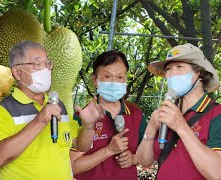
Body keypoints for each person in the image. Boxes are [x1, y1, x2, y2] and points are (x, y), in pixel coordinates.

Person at [0, 40, 104, 180]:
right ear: (17, 72)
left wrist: (88, 126)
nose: (45, 69)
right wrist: (39, 120)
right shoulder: (3, 110)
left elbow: (80, 146)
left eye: (47, 64)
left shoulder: (58, 106)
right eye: (37, 64)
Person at [137, 43, 221, 179]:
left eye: (179, 67)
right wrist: (151, 127)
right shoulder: (166, 112)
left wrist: (181, 126)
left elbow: (217, 173)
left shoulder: (216, 114)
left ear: (199, 74)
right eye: (168, 69)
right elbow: (143, 162)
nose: (171, 74)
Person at [70, 50, 147, 180]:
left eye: (120, 77)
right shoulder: (82, 117)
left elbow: (148, 155)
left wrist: (134, 159)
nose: (114, 82)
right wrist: (109, 150)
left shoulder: (136, 114)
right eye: (107, 76)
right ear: (95, 80)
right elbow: (72, 167)